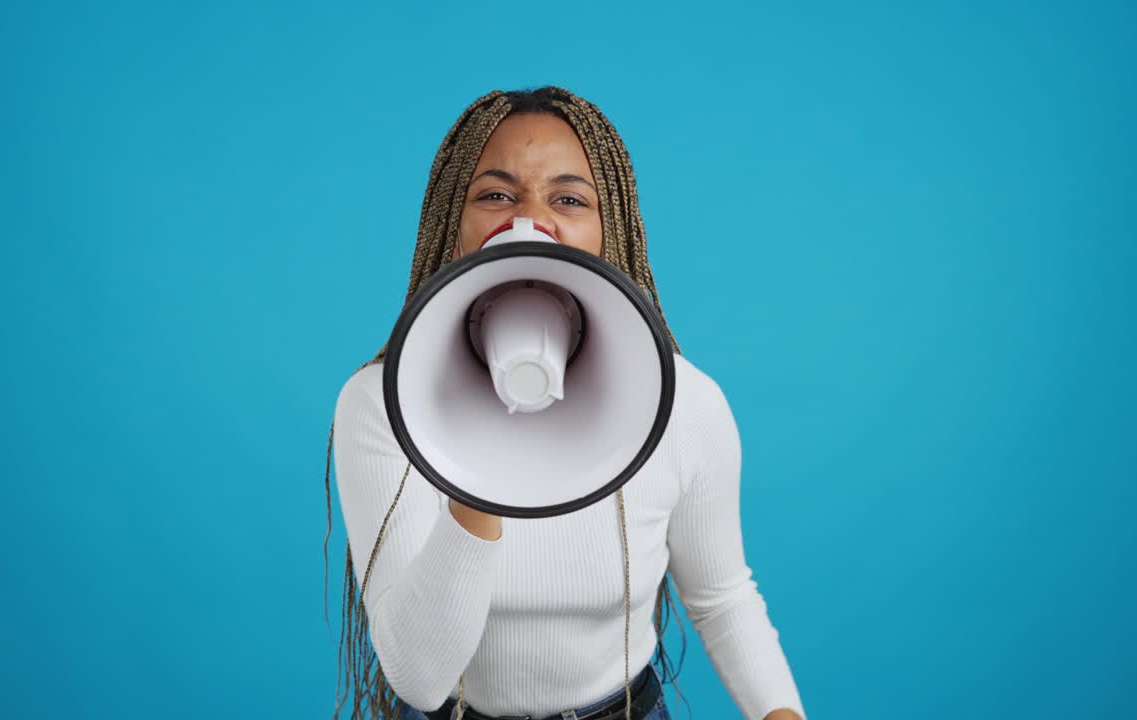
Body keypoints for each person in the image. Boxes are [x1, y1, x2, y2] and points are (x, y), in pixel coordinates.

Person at [322, 86, 809, 720]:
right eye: (495, 194)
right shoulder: (382, 406)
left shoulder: (684, 402)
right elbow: (418, 677)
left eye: (569, 199)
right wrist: (474, 469)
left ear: (612, 228)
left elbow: (721, 598)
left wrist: (780, 713)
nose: (528, 221)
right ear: (452, 219)